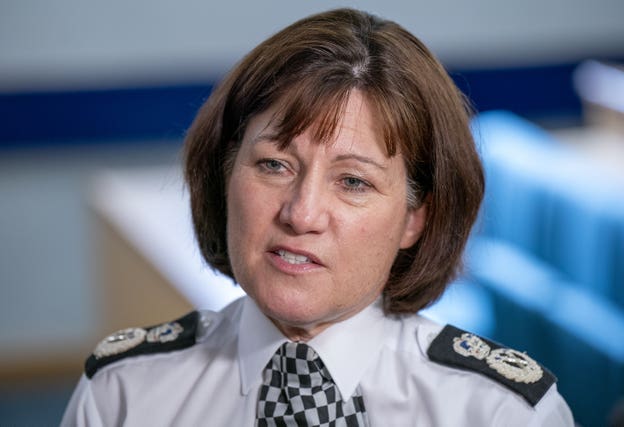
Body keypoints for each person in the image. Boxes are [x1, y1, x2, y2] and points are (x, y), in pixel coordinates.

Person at [61, 8, 574, 426]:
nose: (301, 213)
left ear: (415, 219)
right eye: (274, 165)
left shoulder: (501, 413)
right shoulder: (121, 393)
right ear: (225, 175)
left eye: (353, 182)